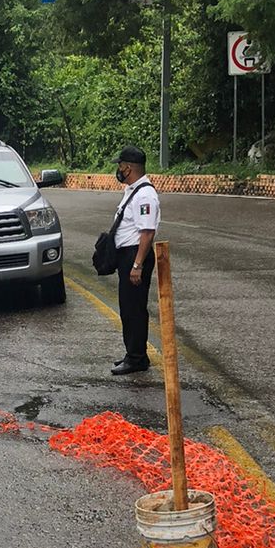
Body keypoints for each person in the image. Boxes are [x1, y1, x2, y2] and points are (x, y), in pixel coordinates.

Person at [111, 146, 161, 376]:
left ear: (128, 167)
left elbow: (147, 233)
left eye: (120, 166)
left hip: (135, 255)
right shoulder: (133, 190)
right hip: (128, 255)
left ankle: (137, 359)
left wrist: (137, 265)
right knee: (128, 308)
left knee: (134, 309)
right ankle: (133, 352)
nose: (118, 170)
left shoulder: (145, 195)